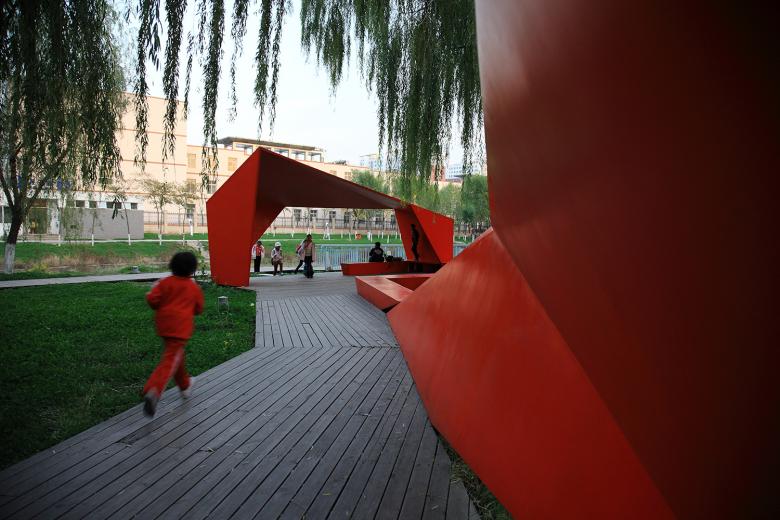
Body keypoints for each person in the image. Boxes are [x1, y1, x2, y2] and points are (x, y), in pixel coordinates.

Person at [142, 251, 204, 417]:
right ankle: (154, 390)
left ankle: (185, 386)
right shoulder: (193, 287)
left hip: (164, 325)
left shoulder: (164, 282)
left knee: (176, 355)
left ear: (172, 266)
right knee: (171, 359)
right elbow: (199, 309)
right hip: (180, 328)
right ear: (192, 269)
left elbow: (152, 300)